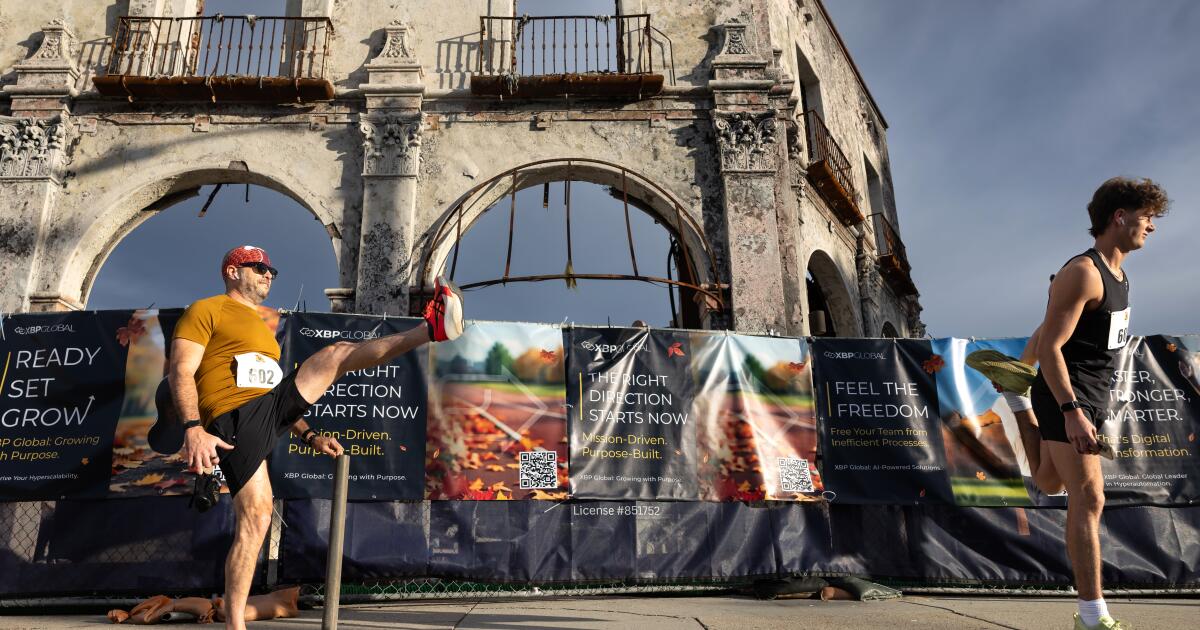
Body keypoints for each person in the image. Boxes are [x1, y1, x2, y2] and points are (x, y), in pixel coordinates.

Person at [169, 245, 465, 630]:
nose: (268, 274)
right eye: (258, 267)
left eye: (271, 269)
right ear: (231, 271)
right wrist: (193, 429)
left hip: (268, 409)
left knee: (336, 355)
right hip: (232, 417)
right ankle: (235, 625)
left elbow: (269, 383)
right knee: (256, 516)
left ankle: (430, 329)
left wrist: (309, 436)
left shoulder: (261, 326)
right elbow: (180, 370)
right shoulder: (205, 309)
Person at [1029, 177, 1168, 630]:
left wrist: (1016, 377)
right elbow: (1051, 345)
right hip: (1065, 393)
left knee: (1050, 483)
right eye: (1147, 216)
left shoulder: (1120, 277)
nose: (1151, 226)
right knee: (1089, 497)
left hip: (1089, 395)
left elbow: (1050, 329)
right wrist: (1070, 411)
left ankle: (1016, 406)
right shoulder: (1083, 272)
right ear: (1119, 216)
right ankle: (1092, 616)